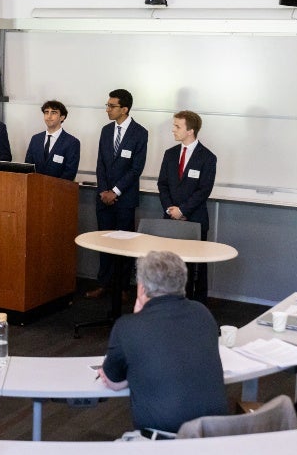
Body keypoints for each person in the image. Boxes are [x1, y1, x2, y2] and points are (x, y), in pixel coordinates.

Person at [96, 250, 228, 437]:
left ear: (142, 288)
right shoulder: (203, 313)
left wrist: (137, 316)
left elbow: (113, 382)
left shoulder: (128, 326)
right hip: (215, 437)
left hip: (165, 443)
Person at [90, 88, 149, 300]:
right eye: (107, 105)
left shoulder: (140, 133)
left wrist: (115, 191)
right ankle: (104, 284)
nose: (107, 109)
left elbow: (136, 168)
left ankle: (123, 287)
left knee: (124, 244)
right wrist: (104, 191)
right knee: (104, 242)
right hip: (103, 197)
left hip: (124, 198)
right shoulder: (106, 130)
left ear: (124, 109)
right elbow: (100, 164)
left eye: (111, 106)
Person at [157, 110, 217, 301]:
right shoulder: (170, 154)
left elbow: (204, 190)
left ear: (190, 130)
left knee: (195, 267)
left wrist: (183, 210)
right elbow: (162, 184)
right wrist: (170, 209)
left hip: (195, 220)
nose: (173, 130)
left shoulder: (207, 157)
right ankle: (171, 302)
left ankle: (196, 305)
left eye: (177, 126)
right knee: (171, 265)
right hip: (171, 219)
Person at [25, 99, 79, 180]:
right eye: (46, 112)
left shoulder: (72, 142)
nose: (49, 116)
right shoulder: (35, 139)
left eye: (53, 112)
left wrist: (51, 188)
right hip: (35, 188)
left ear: (62, 117)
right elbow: (28, 167)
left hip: (58, 190)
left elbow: (70, 173)